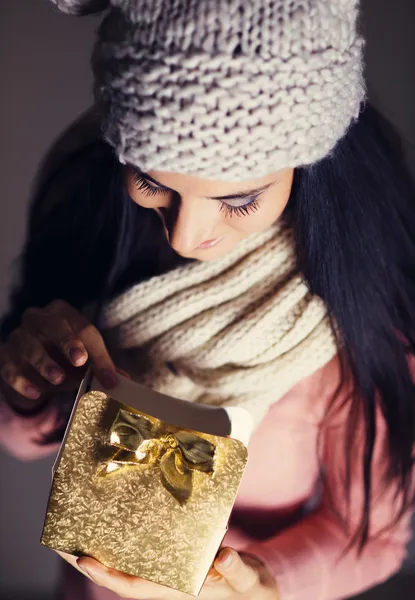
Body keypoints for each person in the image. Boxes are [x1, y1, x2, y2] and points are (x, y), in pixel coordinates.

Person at [1, 1, 414, 599]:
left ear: (311, 166)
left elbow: (371, 538)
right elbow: (24, 444)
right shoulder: (99, 236)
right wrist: (28, 383)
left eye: (240, 199)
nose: (188, 237)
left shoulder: (347, 327)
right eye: (151, 181)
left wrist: (266, 582)